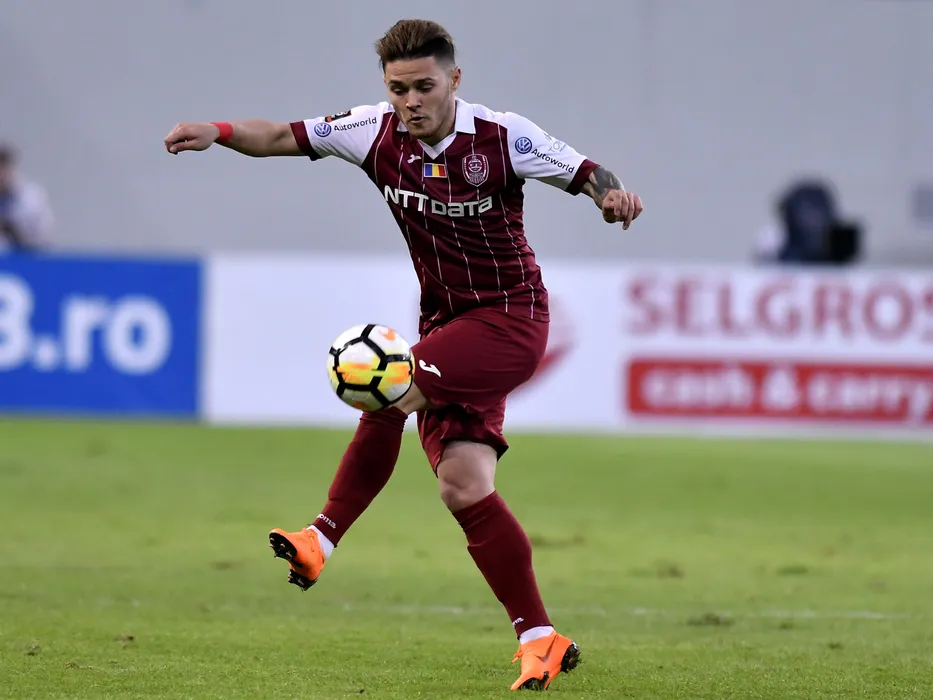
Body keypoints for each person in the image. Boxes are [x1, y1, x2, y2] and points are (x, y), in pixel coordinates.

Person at [164, 19, 642, 691]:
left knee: (386, 382)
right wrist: (216, 131)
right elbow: (277, 136)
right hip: (446, 324)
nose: (411, 101)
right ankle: (540, 638)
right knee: (463, 484)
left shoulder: (503, 136)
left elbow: (588, 173)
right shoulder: (372, 131)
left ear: (454, 80)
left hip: (510, 320)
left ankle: (321, 536)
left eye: (423, 86)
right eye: (398, 89)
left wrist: (610, 197)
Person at [0, 144, 54, 253]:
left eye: (3, 168)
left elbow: (44, 240)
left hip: (22, 257)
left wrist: (12, 229)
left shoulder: (32, 199)